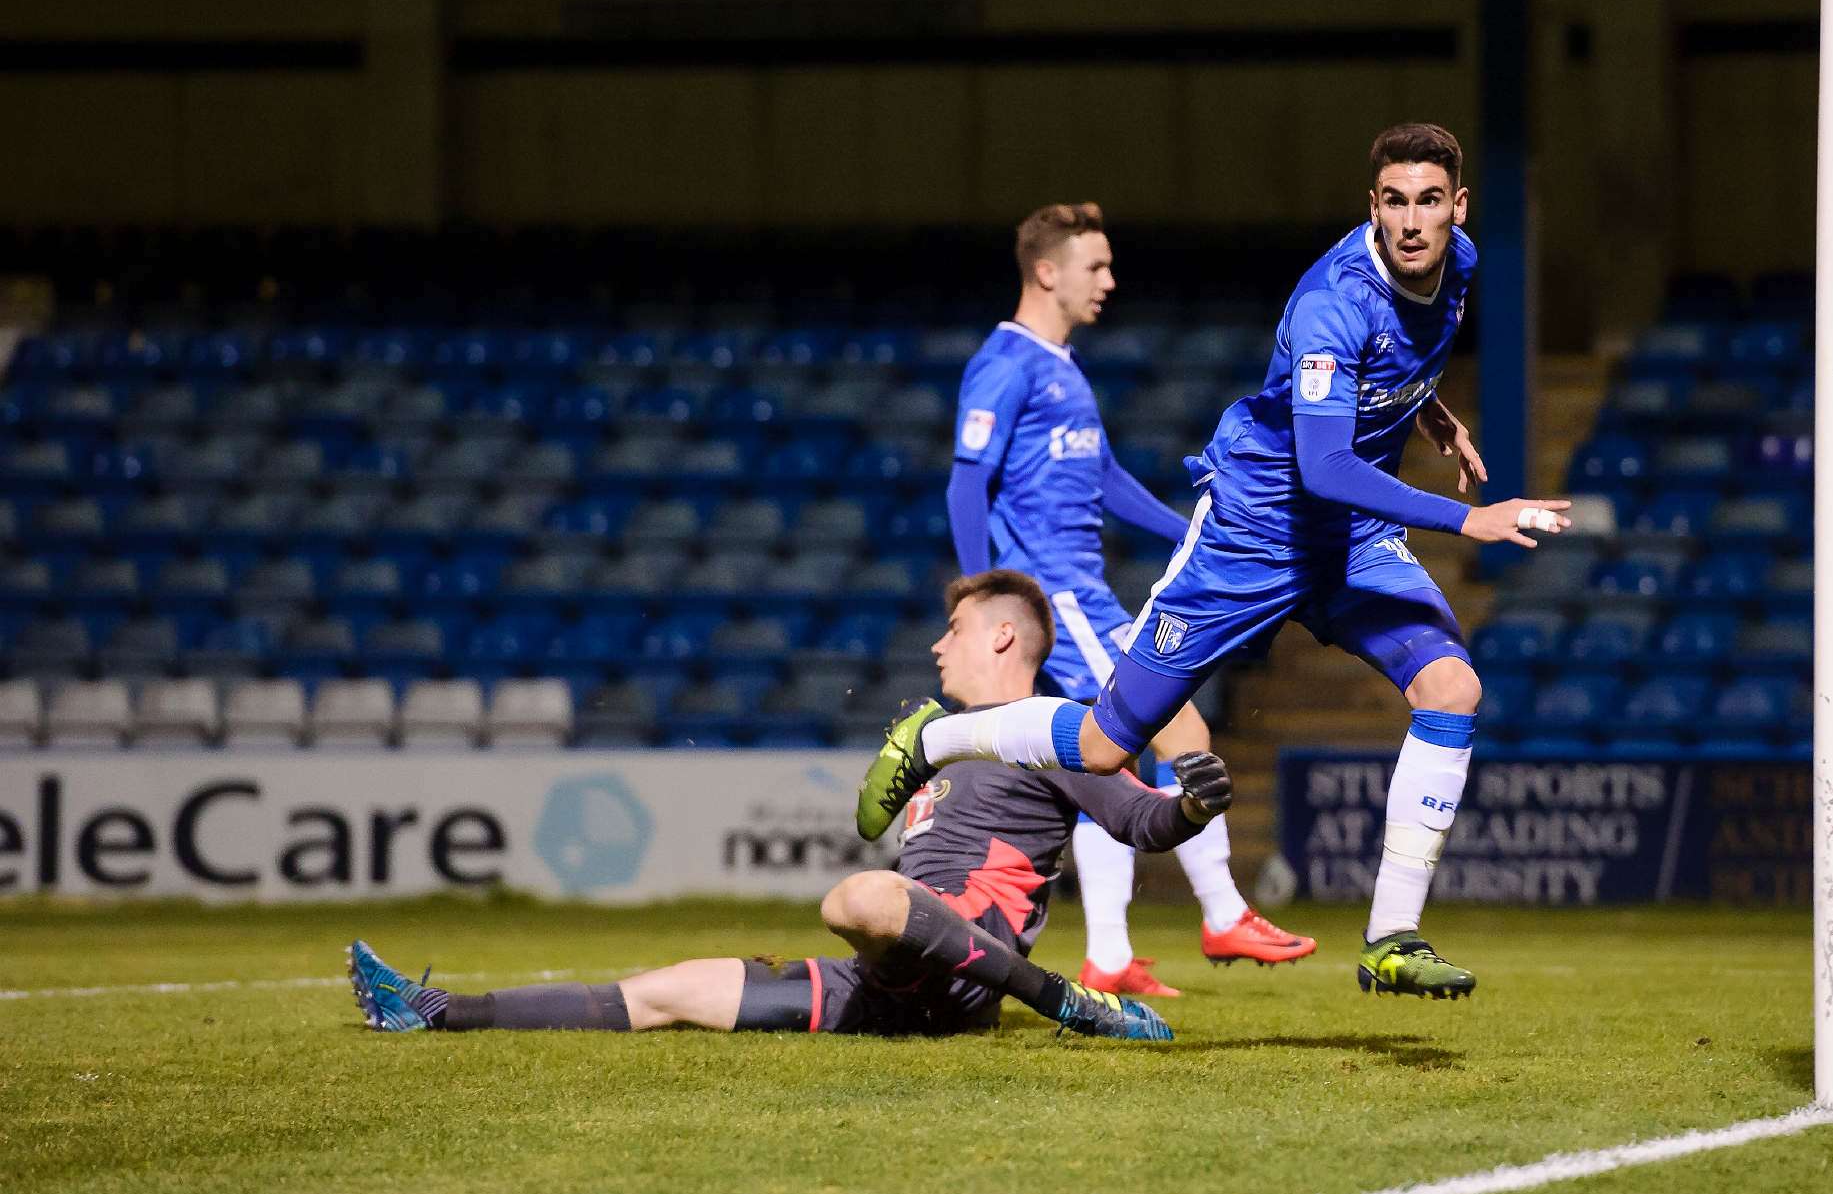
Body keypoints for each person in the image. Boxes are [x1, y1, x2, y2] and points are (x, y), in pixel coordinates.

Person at [857, 124, 1572, 1000]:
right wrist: (1468, 519)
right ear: (1372, 206)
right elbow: (1324, 465)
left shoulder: (1457, 262)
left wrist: (1428, 412)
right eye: (1394, 201)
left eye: (1430, 200)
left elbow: (1399, 359)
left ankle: (1391, 935)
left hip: (1348, 539)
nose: (1413, 220)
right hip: (1255, 531)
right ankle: (935, 738)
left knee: (1452, 688)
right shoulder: (1329, 303)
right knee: (1102, 742)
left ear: (1457, 206)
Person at [347, 570, 1233, 1041]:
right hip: (892, 981)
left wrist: (1189, 804)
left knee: (857, 897)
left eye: (953, 629)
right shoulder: (942, 740)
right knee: (668, 990)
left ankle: (1067, 1001)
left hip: (965, 970)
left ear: (1002, 634)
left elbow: (1140, 820)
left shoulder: (1052, 729)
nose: (936, 646)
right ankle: (438, 1011)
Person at [943, 201, 1313, 996]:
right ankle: (1220, 912)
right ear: (1048, 271)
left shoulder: (1062, 365)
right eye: (1095, 266)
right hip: (1057, 593)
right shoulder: (1005, 364)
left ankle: (1108, 950)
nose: (1109, 281)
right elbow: (966, 479)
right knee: (1176, 716)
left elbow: (1105, 479)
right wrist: (982, 593)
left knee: (1104, 753)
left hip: (1081, 590)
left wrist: (1192, 527)